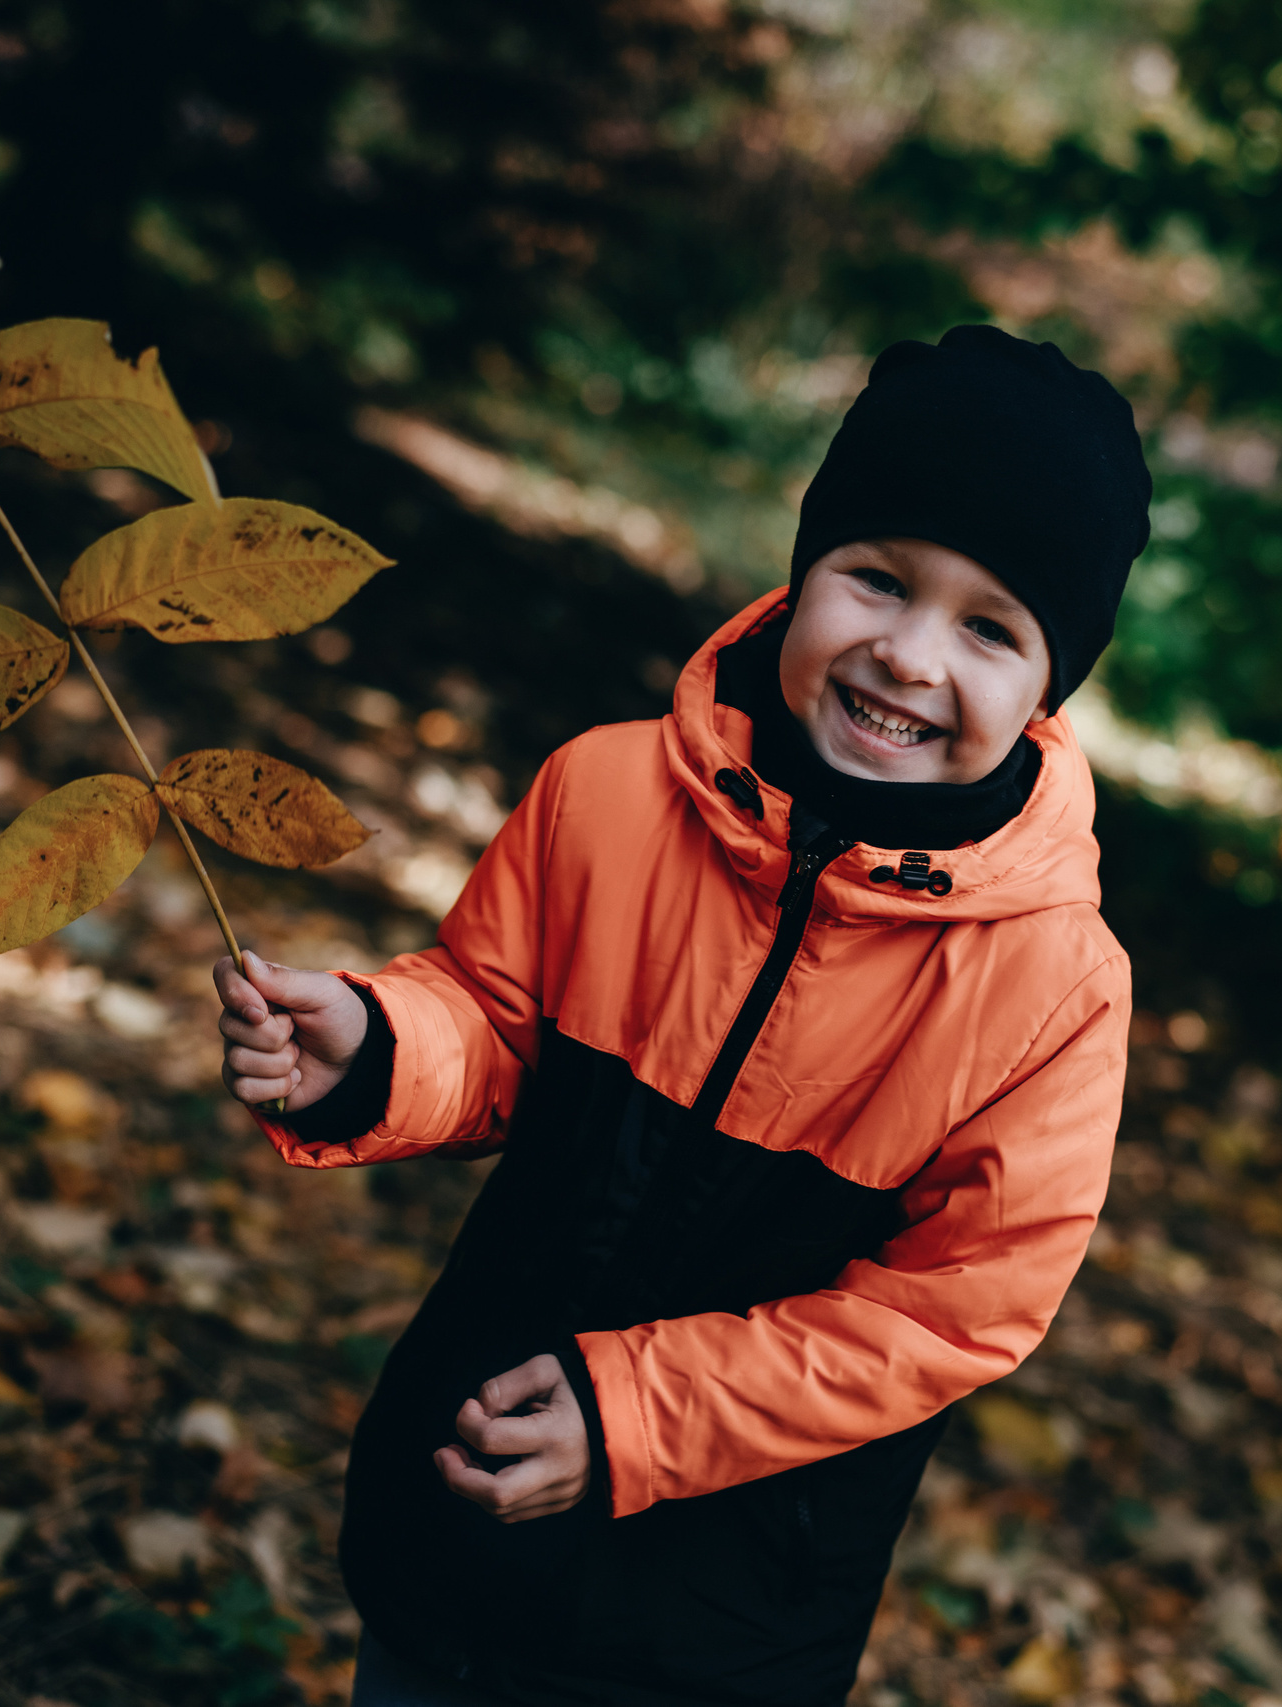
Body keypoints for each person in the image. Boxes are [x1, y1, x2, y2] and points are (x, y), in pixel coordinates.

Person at [216, 324, 1149, 1707]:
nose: (907, 655)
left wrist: (636, 1416)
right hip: (465, 1477)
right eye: (878, 579)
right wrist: (379, 1050)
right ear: (805, 567)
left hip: (721, 1607)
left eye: (989, 628)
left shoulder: (1052, 990)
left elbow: (954, 1312)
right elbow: (493, 1020)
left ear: (1050, 681)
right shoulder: (607, 798)